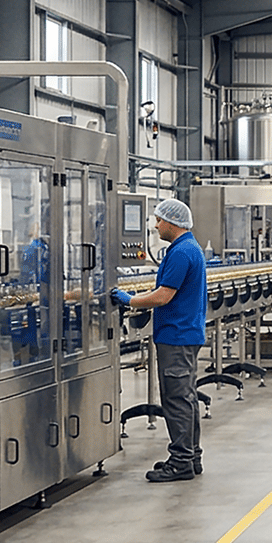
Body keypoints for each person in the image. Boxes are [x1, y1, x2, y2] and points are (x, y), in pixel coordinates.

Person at [113, 197, 208, 482]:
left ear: (172, 222)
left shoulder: (181, 253)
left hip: (176, 336)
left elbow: (164, 295)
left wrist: (130, 300)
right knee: (187, 398)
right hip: (185, 333)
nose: (156, 225)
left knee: (177, 399)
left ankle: (180, 462)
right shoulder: (187, 248)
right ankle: (191, 456)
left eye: (159, 220)